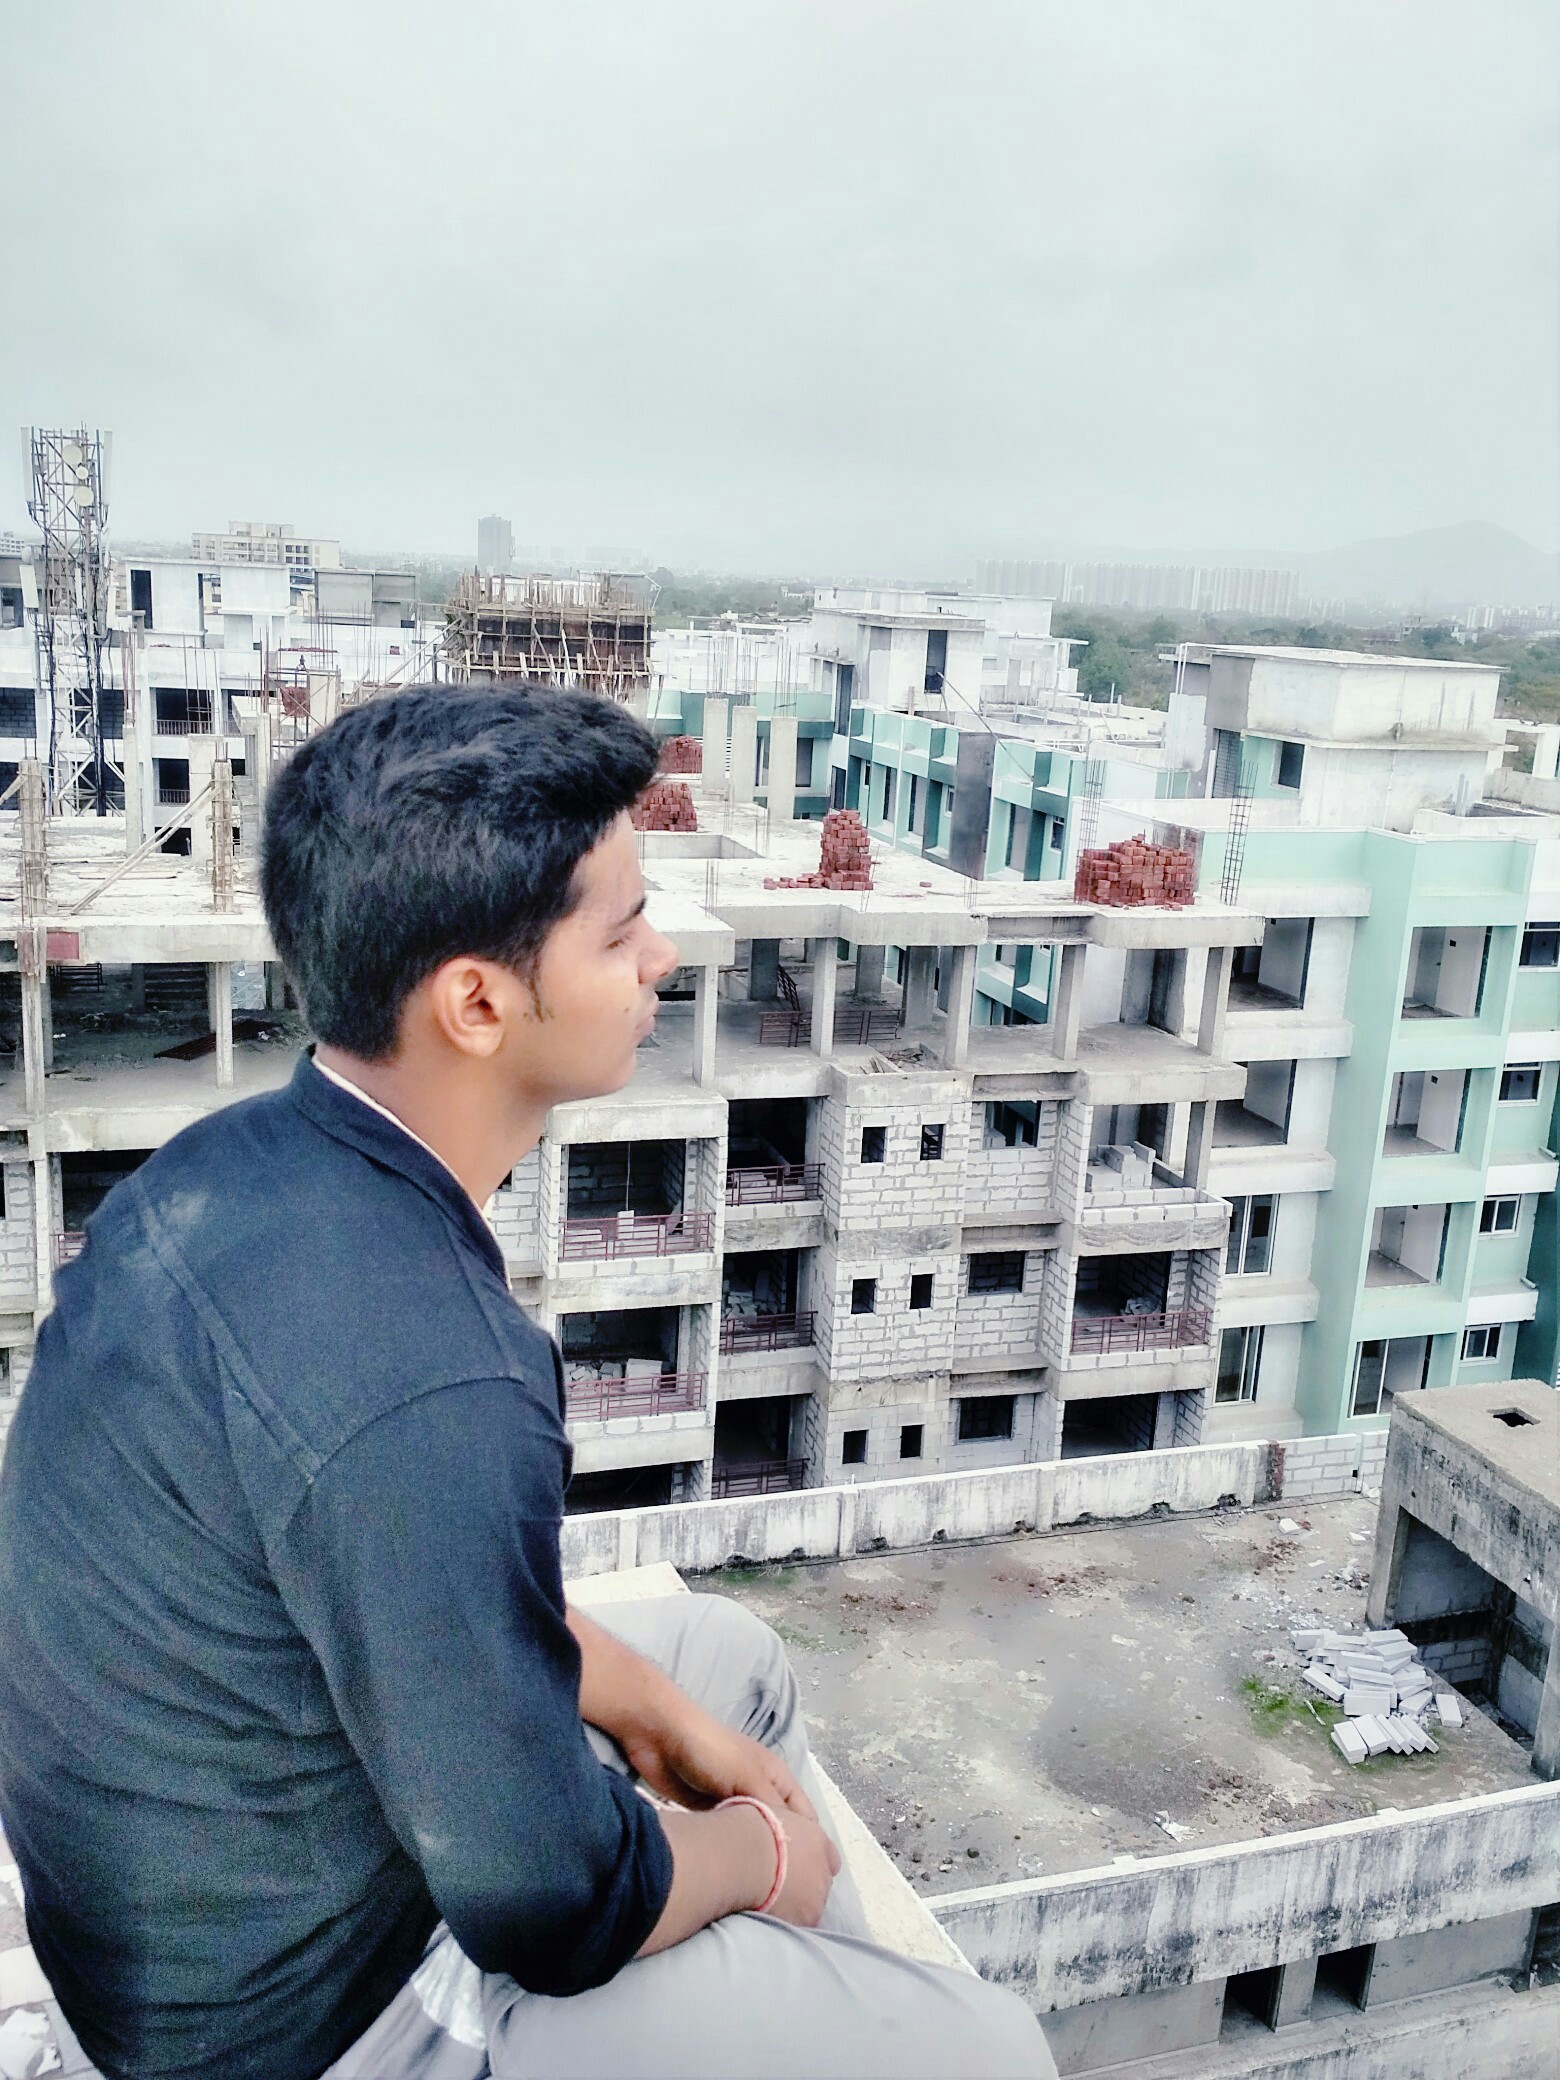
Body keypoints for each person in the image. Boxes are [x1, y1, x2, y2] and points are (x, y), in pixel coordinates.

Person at [0, 686, 1054, 2080]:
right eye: (620, 933)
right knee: (993, 2050)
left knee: (726, 1669)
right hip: (301, 2020)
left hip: (209, 1876)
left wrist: (655, 1711)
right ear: (480, 1001)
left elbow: (405, 1585)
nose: (661, 959)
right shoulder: (437, 1372)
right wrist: (757, 1856)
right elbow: (543, 1900)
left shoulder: (225, 1173)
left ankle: (823, 2005)